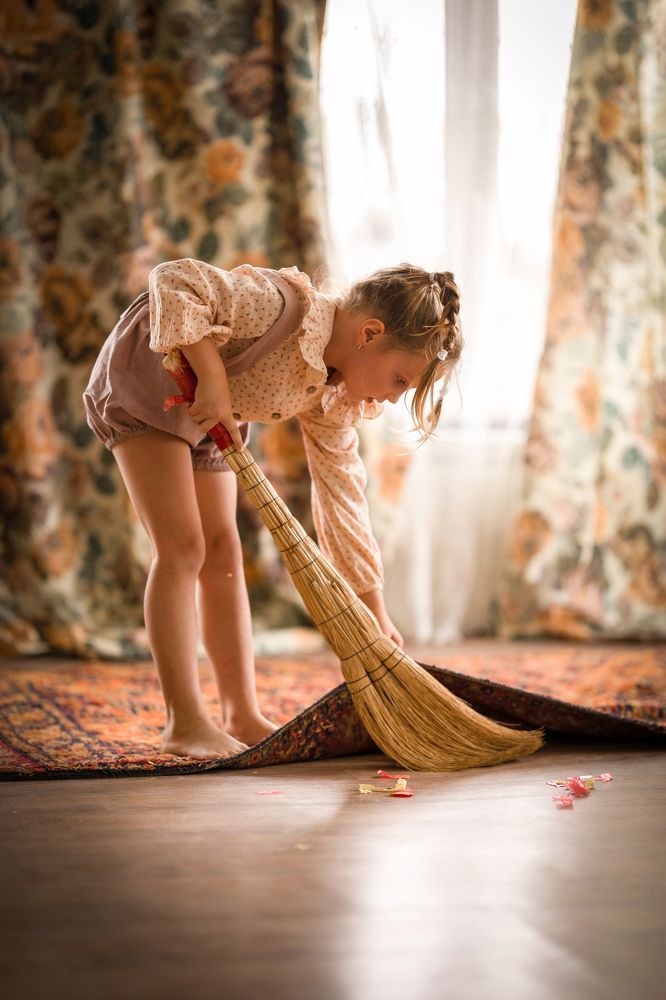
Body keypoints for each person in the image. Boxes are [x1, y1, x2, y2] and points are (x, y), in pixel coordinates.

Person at [83, 259, 463, 760]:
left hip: (212, 415)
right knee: (183, 548)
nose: (392, 400)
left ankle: (240, 711)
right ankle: (184, 721)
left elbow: (342, 495)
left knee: (223, 550)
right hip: (154, 381)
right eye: (399, 380)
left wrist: (372, 607)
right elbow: (172, 281)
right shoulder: (278, 305)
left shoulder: (333, 394)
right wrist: (212, 377)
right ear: (369, 334)